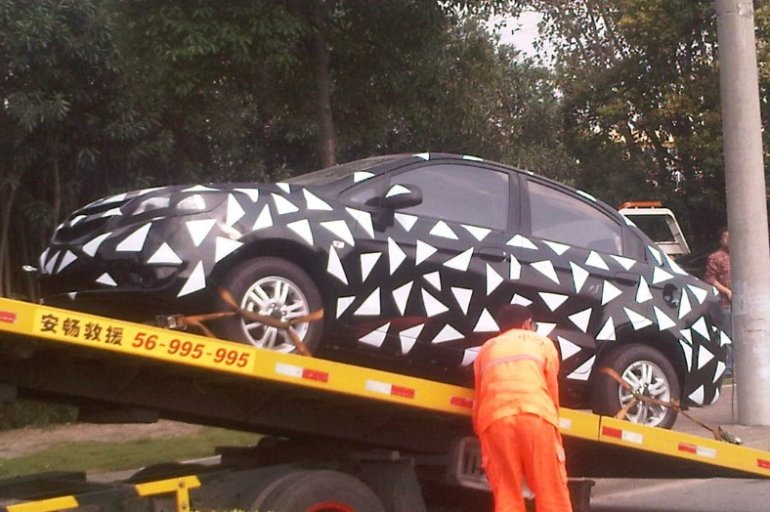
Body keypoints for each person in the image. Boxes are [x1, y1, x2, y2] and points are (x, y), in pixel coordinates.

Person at [472, 304, 572, 512]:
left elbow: (479, 397)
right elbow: (552, 389)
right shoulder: (542, 343)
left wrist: (482, 433)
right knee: (550, 488)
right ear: (527, 323)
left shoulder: (487, 349)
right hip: (535, 416)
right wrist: (553, 423)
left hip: (495, 421)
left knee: (507, 492)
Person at [704, 228, 732, 375]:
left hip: (740, 304)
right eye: (726, 237)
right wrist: (727, 291)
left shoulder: (740, 255)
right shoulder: (715, 257)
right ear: (721, 240)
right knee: (727, 336)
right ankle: (728, 368)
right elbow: (710, 279)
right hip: (724, 303)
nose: (729, 240)